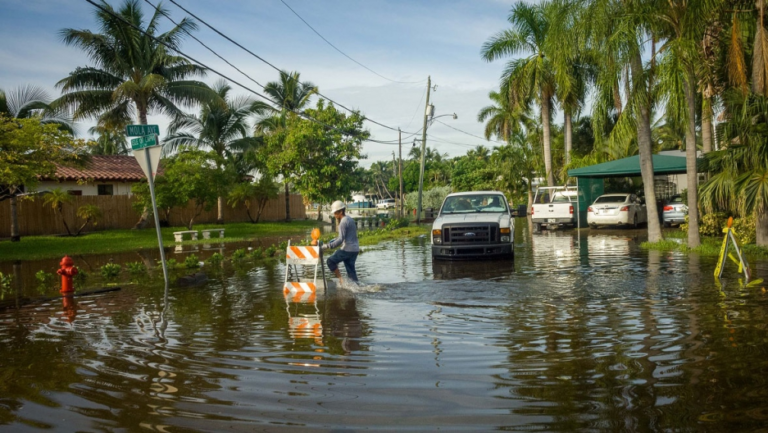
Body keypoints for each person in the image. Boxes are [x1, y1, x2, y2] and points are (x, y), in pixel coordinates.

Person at [322, 200, 360, 284]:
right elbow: (346, 236)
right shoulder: (350, 219)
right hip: (355, 249)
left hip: (347, 249)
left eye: (336, 213)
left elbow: (340, 239)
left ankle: (341, 280)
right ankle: (357, 287)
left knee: (330, 261)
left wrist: (328, 246)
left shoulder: (343, 222)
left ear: (341, 211)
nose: (334, 215)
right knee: (351, 273)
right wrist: (334, 240)